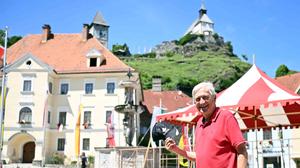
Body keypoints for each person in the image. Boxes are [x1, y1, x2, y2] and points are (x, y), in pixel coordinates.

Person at [165, 82, 248, 168]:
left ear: (214, 98)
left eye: (205, 97)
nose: (202, 102)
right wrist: (176, 149)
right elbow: (199, 157)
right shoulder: (199, 123)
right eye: (198, 99)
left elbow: (242, 151)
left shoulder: (226, 117)